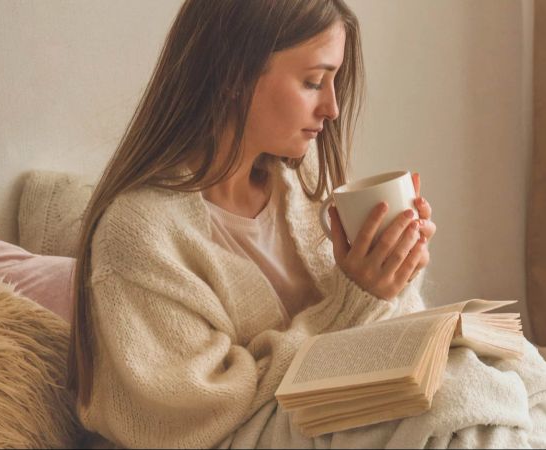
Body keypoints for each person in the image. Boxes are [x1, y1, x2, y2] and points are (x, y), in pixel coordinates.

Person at [66, 0, 436, 447]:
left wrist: (396, 271)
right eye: (313, 82)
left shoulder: (306, 185)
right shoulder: (141, 231)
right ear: (232, 76)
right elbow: (193, 409)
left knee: (511, 379)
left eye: (333, 82)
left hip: (341, 420)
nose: (333, 107)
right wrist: (354, 300)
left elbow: (379, 337)